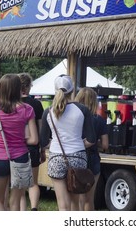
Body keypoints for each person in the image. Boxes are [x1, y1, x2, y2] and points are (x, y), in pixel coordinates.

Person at [40, 75, 96, 211]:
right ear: (72, 91)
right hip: (78, 157)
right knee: (75, 203)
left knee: (62, 204)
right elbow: (92, 139)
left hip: (56, 158)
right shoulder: (82, 110)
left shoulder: (48, 112)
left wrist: (53, 145)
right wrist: (77, 144)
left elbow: (43, 141)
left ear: (55, 90)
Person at [0, 74, 38, 211]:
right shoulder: (27, 109)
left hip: (0, 157)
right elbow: (34, 140)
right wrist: (22, 138)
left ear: (0, 88)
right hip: (21, 157)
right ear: (19, 88)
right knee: (16, 201)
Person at [75, 87, 109, 211]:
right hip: (93, 159)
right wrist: (94, 142)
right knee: (89, 199)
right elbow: (105, 145)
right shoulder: (99, 120)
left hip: (77, 158)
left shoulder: (74, 118)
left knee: (78, 198)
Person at [18, 73, 44, 211]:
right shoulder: (36, 104)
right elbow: (40, 129)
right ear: (28, 87)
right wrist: (43, 149)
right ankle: (34, 208)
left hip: (17, 148)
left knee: (20, 185)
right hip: (33, 148)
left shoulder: (12, 103)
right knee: (33, 183)